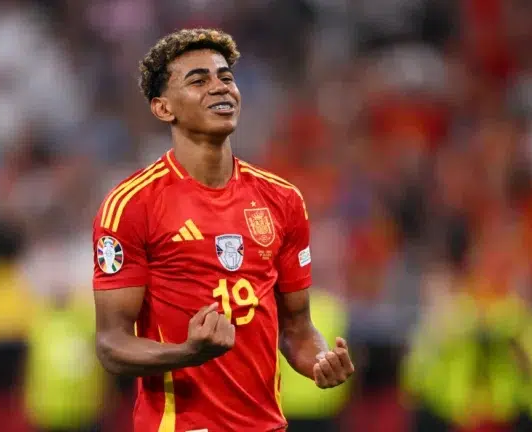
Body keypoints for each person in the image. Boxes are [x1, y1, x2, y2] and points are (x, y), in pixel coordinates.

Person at [92, 28, 354, 432]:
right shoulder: (131, 205)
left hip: (266, 426)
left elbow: (298, 329)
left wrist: (319, 359)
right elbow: (111, 345)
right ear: (163, 108)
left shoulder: (282, 200)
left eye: (226, 77)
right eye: (199, 80)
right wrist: (187, 353)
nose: (221, 88)